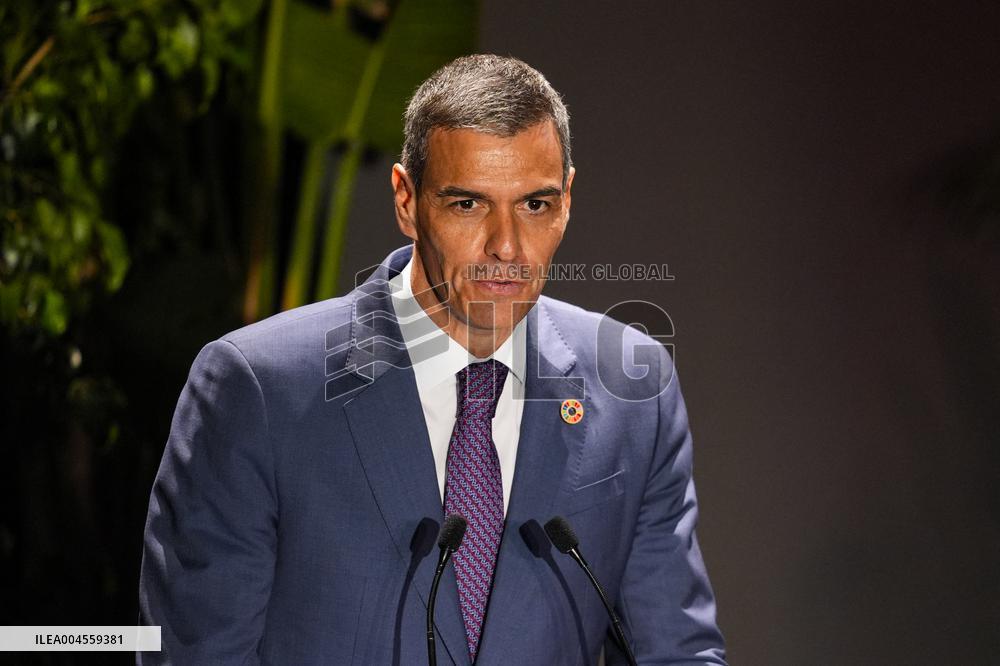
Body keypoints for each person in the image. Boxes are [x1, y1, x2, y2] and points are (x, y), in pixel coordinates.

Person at [138, 54, 727, 665]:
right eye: (468, 204)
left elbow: (677, 653)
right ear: (406, 200)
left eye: (535, 205)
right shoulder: (259, 389)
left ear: (568, 200)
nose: (506, 246)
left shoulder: (634, 387)